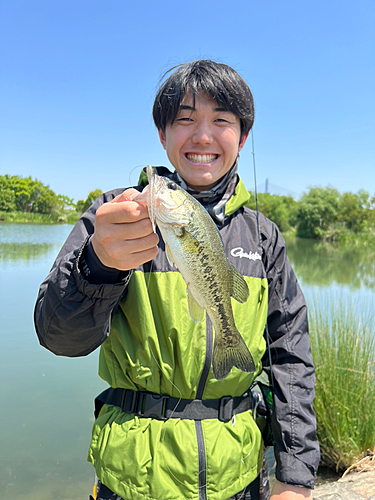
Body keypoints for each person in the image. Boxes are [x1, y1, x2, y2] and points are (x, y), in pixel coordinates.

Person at [34, 59, 320, 500]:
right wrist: (99, 265)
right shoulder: (116, 216)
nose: (203, 136)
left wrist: (296, 477)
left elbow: (291, 357)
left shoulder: (264, 237)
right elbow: (59, 337)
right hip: (133, 480)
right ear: (162, 137)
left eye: (221, 120)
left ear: (242, 138)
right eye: (185, 121)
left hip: (240, 479)